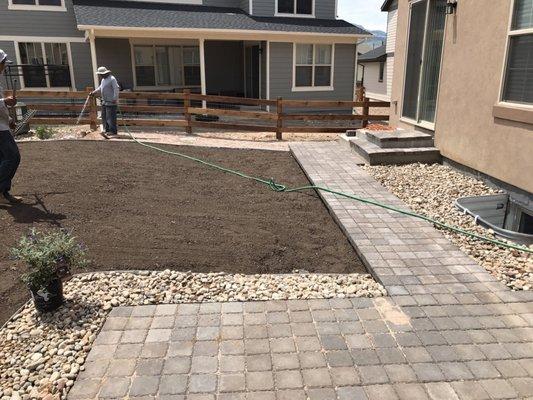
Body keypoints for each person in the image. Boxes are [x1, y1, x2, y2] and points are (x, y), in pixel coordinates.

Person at [0, 49, 22, 205]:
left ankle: (3, 193)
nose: (4, 67)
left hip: (1, 125)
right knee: (12, 157)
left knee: (3, 159)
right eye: (3, 63)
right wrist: (4, 101)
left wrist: (8, 119)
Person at [91, 66, 120, 139]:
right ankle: (106, 129)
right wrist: (94, 92)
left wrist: (115, 98)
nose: (100, 75)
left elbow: (116, 89)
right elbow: (100, 88)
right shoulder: (103, 80)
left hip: (111, 102)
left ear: (105, 73)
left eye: (101, 74)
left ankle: (113, 131)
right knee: (104, 116)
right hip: (104, 101)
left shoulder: (112, 79)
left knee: (111, 117)